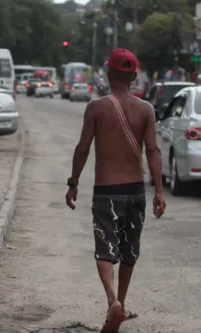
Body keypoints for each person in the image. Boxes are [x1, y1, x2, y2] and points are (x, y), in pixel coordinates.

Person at [64, 48, 166, 333]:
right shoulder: (146, 109)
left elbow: (83, 148)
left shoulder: (96, 107)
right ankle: (120, 301)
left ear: (109, 74)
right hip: (136, 192)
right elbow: (153, 151)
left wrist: (73, 183)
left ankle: (112, 302)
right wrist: (158, 191)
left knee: (105, 250)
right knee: (129, 250)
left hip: (106, 191)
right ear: (134, 76)